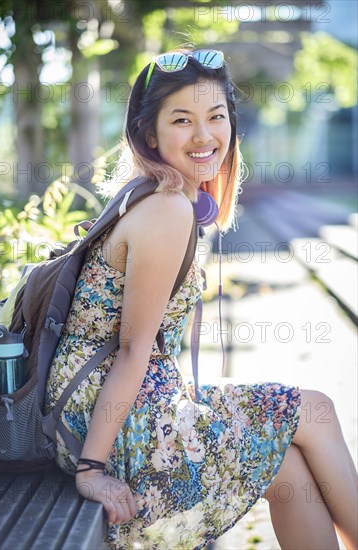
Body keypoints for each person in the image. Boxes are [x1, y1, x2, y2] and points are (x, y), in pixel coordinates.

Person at [45, 49, 358, 550]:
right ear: (149, 134)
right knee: (314, 411)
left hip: (105, 403)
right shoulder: (167, 209)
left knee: (290, 463)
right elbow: (132, 349)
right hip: (109, 421)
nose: (204, 136)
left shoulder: (149, 193)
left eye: (216, 117)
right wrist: (91, 470)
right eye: (182, 120)